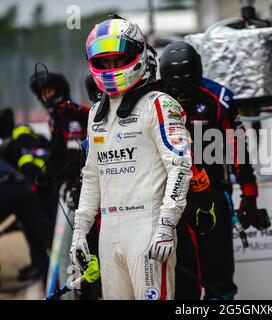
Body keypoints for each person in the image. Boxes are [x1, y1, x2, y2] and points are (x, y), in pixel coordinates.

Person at [70, 16, 192, 300]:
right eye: (104, 62)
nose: (111, 69)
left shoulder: (160, 105)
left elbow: (180, 166)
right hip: (108, 232)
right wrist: (80, 231)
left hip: (147, 229)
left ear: (137, 54)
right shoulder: (95, 114)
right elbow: (91, 177)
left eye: (118, 59)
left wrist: (166, 223)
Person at [159, 41, 261, 299]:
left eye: (187, 91)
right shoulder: (151, 98)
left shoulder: (220, 98)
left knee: (219, 279)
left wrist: (249, 194)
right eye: (176, 92)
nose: (182, 98)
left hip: (212, 195)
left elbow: (237, 148)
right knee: (182, 281)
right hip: (167, 202)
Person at [29, 70, 90, 215]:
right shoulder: (53, 116)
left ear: (59, 90)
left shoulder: (69, 113)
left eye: (49, 91)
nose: (46, 96)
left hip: (75, 182)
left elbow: (75, 151)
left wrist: (70, 183)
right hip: (59, 179)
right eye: (43, 92)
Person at [0, 158, 52, 281]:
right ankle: (43, 266)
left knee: (34, 226)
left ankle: (42, 265)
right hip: (20, 186)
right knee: (34, 227)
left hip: (8, 188)